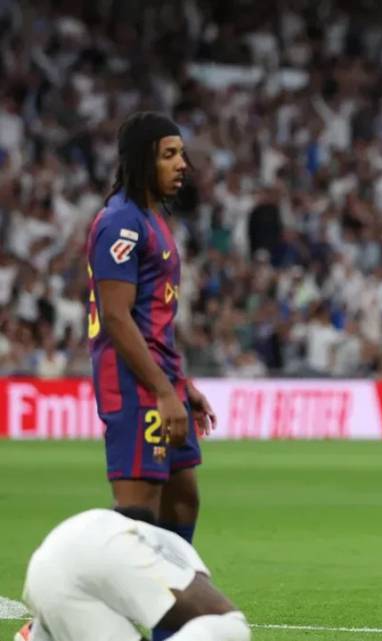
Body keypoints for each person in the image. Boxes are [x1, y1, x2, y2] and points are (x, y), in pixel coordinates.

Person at [84, 112, 216, 639]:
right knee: (137, 518)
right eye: (169, 154)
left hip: (162, 382)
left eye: (181, 154)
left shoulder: (153, 219)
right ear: (141, 159)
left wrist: (182, 386)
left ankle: (167, 623)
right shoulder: (120, 222)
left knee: (184, 499)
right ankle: (69, 621)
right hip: (134, 387)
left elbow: (154, 319)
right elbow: (116, 318)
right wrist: (162, 390)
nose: (182, 164)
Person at [14, 507, 249, 641]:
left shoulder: (168, 559)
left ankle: (38, 633)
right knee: (232, 626)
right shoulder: (179, 573)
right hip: (86, 554)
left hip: (53, 558)